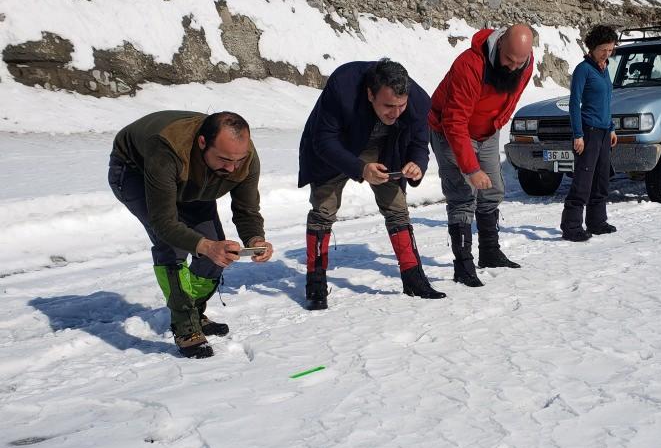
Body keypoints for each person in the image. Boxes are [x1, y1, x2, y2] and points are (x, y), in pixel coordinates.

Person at [108, 111, 274, 359]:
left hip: (194, 180)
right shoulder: (167, 148)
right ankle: (185, 325)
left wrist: (255, 239)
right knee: (172, 245)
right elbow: (164, 222)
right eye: (225, 159)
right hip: (136, 172)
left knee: (217, 250)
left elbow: (246, 209)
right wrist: (205, 246)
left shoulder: (243, 157)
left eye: (238, 160)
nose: (231, 168)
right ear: (202, 143)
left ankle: (194, 311)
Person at [298, 59, 445, 310]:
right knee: (323, 211)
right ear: (370, 94)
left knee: (397, 208)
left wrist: (417, 165)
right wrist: (360, 169)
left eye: (401, 105)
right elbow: (323, 141)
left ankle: (413, 277)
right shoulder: (343, 86)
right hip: (336, 148)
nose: (396, 112)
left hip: (383, 149)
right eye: (388, 105)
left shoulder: (419, 101)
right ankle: (316, 282)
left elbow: (420, 143)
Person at [429, 23, 534, 287]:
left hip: (486, 131)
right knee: (464, 195)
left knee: (493, 190)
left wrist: (498, 123)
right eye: (509, 59)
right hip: (449, 131)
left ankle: (489, 252)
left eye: (519, 62)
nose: (513, 67)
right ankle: (463, 265)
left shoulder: (525, 63)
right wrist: (471, 168)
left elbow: (513, 96)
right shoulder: (470, 64)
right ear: (499, 44)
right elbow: (454, 121)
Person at [560, 25, 619, 241]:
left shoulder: (604, 70)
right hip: (588, 131)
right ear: (593, 48)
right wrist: (578, 134)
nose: (607, 54)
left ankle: (597, 221)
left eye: (611, 50)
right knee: (583, 180)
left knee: (601, 179)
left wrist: (611, 128)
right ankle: (571, 226)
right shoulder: (583, 70)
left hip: (604, 132)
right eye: (603, 49)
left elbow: (606, 102)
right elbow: (574, 104)